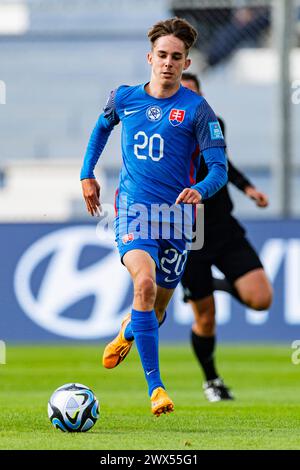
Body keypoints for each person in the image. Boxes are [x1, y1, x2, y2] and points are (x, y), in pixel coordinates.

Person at [80, 18, 228, 416]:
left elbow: (219, 168)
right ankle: (156, 388)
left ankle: (130, 330)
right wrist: (86, 173)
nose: (167, 63)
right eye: (161, 55)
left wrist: (201, 189)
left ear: (185, 62)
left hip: (178, 220)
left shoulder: (197, 110)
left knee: (157, 307)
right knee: (142, 285)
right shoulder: (126, 98)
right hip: (134, 211)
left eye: (176, 57)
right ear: (150, 57)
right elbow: (100, 128)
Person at [180, 72, 273, 402]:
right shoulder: (162, 130)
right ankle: (212, 381)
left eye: (193, 94)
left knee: (261, 299)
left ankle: (213, 284)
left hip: (220, 223)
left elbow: (223, 163)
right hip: (189, 230)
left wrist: (248, 188)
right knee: (205, 318)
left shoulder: (212, 123)